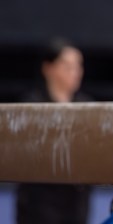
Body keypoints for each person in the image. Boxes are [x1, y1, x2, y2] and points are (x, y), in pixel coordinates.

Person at [16, 38, 92, 224]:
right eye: (67, 66)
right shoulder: (32, 105)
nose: (75, 72)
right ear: (48, 68)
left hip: (76, 202)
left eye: (78, 66)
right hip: (38, 202)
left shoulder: (87, 107)